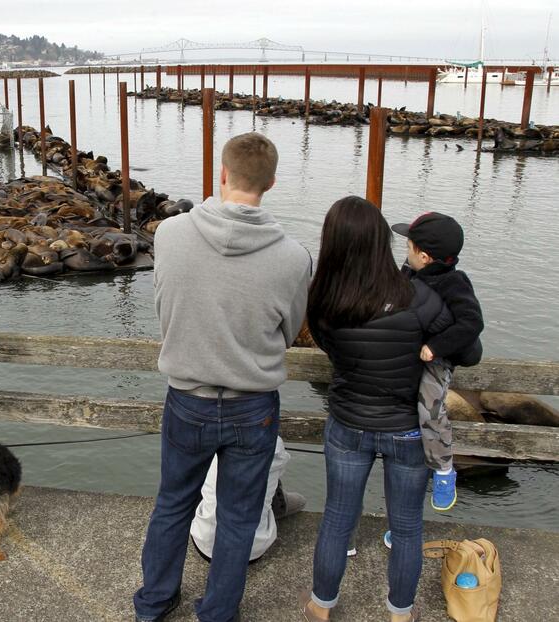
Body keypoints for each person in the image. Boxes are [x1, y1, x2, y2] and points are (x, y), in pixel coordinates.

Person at [133, 133, 312, 622]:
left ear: (223, 173)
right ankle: (218, 613)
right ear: (272, 182)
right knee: (238, 517)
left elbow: (162, 305)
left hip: (187, 397)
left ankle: (153, 603)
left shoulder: (169, 234)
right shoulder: (295, 258)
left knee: (172, 504)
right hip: (252, 405)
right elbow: (292, 328)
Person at [302, 196, 452, 622]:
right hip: (407, 427)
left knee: (336, 518)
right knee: (406, 527)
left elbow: (331, 350)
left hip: (349, 422)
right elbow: (466, 347)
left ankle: (321, 605)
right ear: (380, 240)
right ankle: (400, 613)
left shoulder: (324, 301)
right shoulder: (418, 295)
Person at [391, 212, 483, 512]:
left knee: (429, 411)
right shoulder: (411, 273)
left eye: (409, 248)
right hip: (411, 358)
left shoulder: (455, 283)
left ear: (425, 256)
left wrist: (436, 346)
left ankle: (444, 471)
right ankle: (404, 522)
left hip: (437, 359)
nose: (406, 253)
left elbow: (472, 322)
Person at [189, 440, 306, 564]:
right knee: (267, 477)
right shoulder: (275, 443)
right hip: (253, 551)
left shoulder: (210, 434)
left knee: (201, 478)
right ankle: (274, 504)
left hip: (205, 544)